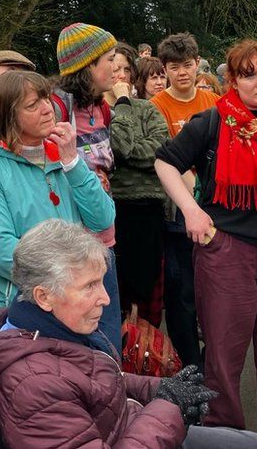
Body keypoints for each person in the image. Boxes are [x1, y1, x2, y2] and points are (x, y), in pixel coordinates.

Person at [0, 219, 257, 449]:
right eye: (90, 286)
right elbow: (68, 388)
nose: (106, 300)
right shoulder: (33, 382)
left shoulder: (41, 330)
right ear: (44, 296)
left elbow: (93, 383)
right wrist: (168, 408)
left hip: (132, 425)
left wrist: (158, 388)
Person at [155, 39, 257, 449]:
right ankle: (225, 436)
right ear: (233, 80)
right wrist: (192, 211)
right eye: (249, 75)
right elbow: (165, 162)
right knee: (224, 355)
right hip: (227, 252)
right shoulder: (213, 121)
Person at [0, 70, 115, 313]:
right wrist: (70, 281)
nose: (47, 108)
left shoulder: (64, 156)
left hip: (70, 304)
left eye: (46, 98)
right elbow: (3, 253)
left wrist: (73, 164)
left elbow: (103, 219)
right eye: (33, 105)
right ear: (8, 116)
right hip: (13, 309)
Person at [150, 32, 219, 369]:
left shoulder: (213, 101)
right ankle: (190, 365)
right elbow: (164, 160)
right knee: (181, 294)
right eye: (173, 67)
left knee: (215, 289)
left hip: (216, 205)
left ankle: (212, 362)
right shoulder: (156, 107)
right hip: (175, 212)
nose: (182, 73)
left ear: (197, 64)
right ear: (164, 70)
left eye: (187, 66)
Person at [53, 22, 122, 350]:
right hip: (75, 243)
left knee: (107, 330)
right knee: (83, 340)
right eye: (109, 58)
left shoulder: (101, 107)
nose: (116, 65)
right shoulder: (58, 108)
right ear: (87, 66)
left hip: (104, 235)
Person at [105, 43, 168, 326]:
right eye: (113, 68)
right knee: (111, 292)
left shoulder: (148, 110)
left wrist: (124, 153)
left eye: (126, 70)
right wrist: (121, 107)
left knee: (147, 293)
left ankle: (147, 356)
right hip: (110, 209)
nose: (120, 76)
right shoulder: (91, 114)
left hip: (146, 207)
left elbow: (154, 151)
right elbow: (122, 146)